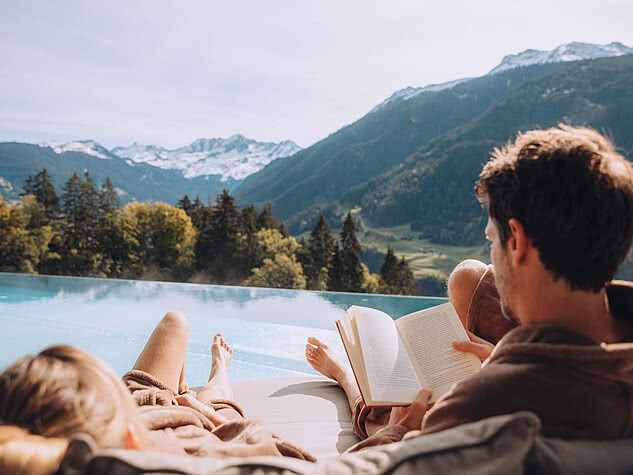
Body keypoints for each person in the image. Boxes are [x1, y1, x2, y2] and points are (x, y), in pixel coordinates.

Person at [306, 125, 633, 450]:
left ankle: (345, 375)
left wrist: (400, 434)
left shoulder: (486, 403)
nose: (491, 250)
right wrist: (501, 359)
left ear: (516, 241)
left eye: (492, 238)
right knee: (470, 278)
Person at [0, 312, 314, 474]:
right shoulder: (207, 461)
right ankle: (219, 370)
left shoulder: (25, 457)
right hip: (184, 422)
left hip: (128, 409)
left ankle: (181, 388)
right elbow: (274, 448)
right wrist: (195, 406)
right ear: (130, 442)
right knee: (215, 394)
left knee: (175, 322)